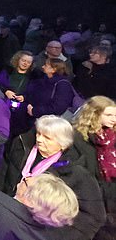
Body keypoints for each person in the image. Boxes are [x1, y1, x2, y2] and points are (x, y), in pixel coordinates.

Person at [0, 115, 106, 240]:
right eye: (38, 133)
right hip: (6, 214)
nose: (39, 139)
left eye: (47, 137)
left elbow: (95, 216)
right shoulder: (21, 145)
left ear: (63, 144)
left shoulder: (76, 172)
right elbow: (1, 174)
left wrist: (54, 235)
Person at [74, 96, 116, 240]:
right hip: (91, 204)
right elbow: (78, 173)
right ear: (94, 113)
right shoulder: (78, 138)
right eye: (109, 115)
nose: (113, 119)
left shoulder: (113, 138)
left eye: (115, 115)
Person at [0, 50, 35, 137]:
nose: (25, 63)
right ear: (18, 60)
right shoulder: (7, 72)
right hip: (4, 106)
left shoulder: (34, 77)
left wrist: (25, 97)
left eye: (28, 62)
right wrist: (6, 91)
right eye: (23, 60)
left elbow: (36, 92)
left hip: (22, 112)